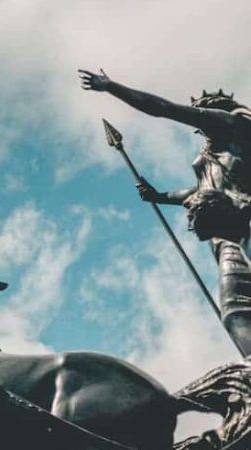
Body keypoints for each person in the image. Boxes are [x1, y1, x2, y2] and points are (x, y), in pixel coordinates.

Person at [80, 68, 251, 355]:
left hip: (244, 221)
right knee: (235, 312)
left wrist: (111, 86)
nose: (198, 119)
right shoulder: (210, 157)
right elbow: (196, 191)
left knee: (238, 309)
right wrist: (159, 196)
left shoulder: (233, 128)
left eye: (201, 112)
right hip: (224, 240)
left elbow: (162, 109)